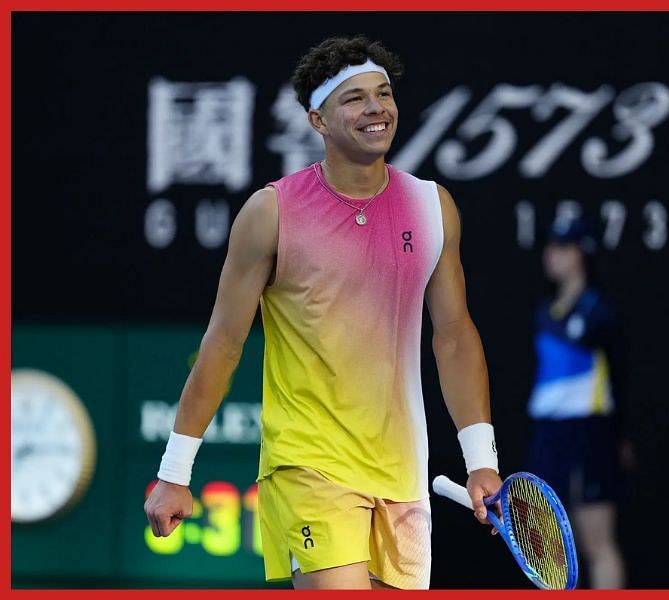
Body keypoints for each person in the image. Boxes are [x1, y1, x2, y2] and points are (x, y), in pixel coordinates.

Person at [143, 36, 502, 590]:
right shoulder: (271, 213)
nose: (376, 108)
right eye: (354, 99)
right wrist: (174, 472)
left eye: (383, 94)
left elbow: (453, 336)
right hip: (307, 463)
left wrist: (481, 459)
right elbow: (224, 343)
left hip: (402, 472)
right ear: (319, 120)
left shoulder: (433, 207)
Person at [526, 215, 628, 589]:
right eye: (550, 246)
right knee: (548, 548)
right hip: (548, 434)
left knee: (597, 541)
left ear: (581, 254)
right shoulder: (542, 312)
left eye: (562, 247)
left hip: (589, 432)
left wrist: (619, 436)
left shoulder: (600, 312)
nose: (551, 255)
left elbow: (620, 377)